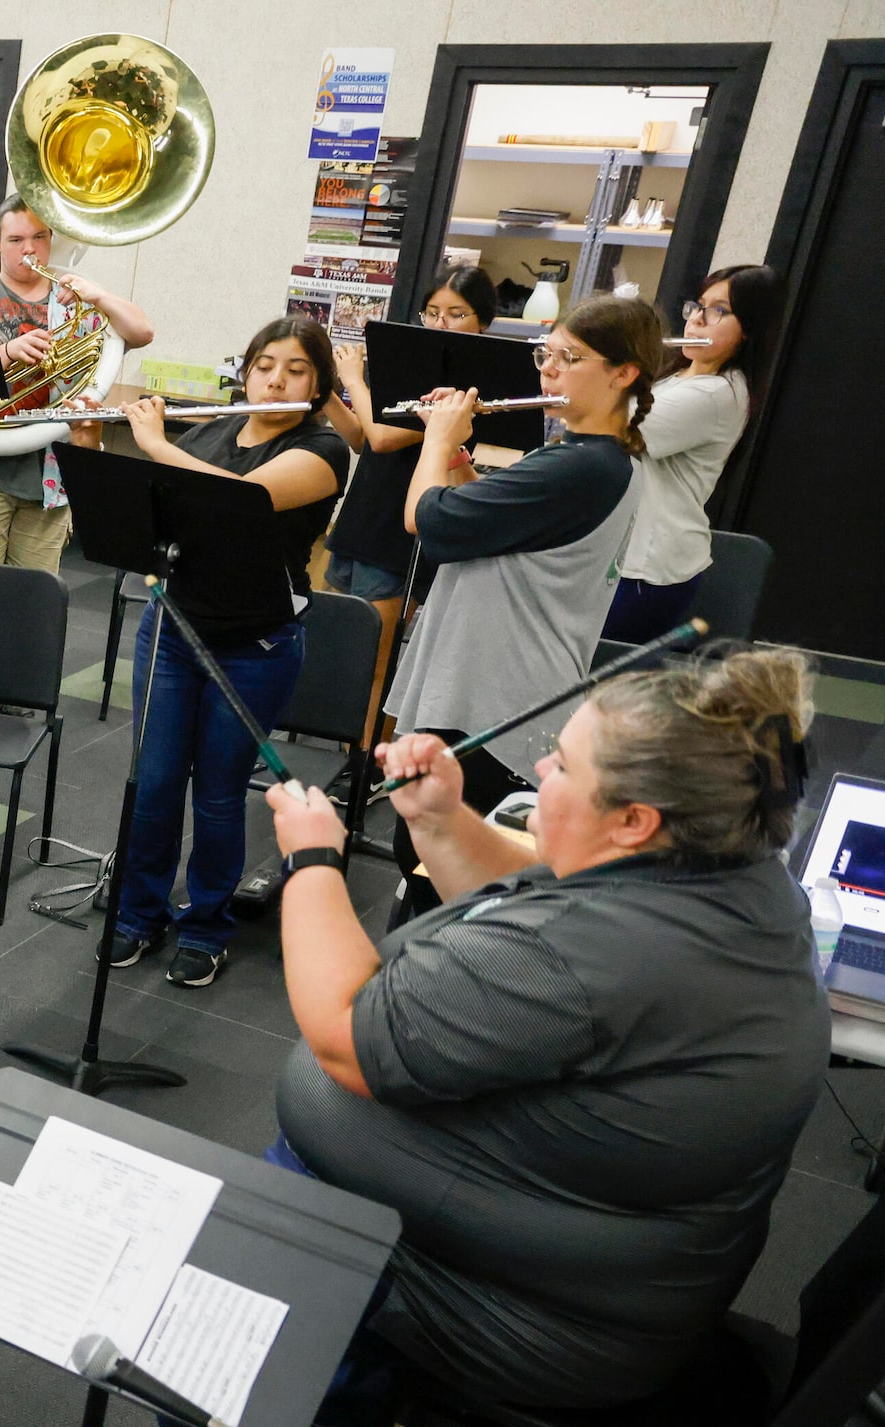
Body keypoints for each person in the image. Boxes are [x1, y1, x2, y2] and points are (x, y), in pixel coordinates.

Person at [111, 648, 829, 1427]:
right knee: (293, 1188)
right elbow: (537, 884)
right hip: (606, 1274)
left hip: (550, 1325)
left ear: (636, 819)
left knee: (192, 1295)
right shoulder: (726, 876)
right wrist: (440, 819)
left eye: (564, 765)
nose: (538, 772)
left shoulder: (602, 955)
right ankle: (347, 1401)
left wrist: (312, 861)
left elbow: (346, 1037)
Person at [384, 293, 659, 917]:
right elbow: (506, 536)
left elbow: (424, 522)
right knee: (433, 863)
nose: (549, 369)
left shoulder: (582, 467)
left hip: (496, 698)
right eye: (547, 353)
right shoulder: (584, 459)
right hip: (498, 683)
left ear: (624, 374)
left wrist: (436, 438)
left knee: (443, 872)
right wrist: (458, 459)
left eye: (570, 356)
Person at [107, 318, 351, 987]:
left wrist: (154, 443)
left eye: (296, 368)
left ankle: (206, 923)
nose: (275, 378)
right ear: (244, 370)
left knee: (216, 794)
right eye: (264, 363)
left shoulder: (324, 449)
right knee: (153, 784)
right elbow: (164, 514)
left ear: (318, 383)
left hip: (255, 643)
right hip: (174, 629)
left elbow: (242, 501)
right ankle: (136, 913)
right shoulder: (213, 431)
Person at [0, 196, 154, 573]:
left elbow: (142, 332)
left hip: (50, 473)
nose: (30, 249)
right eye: (17, 240)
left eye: (40, 237)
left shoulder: (74, 303)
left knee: (32, 592)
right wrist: (5, 352)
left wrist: (99, 294)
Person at [607, 264, 785, 644]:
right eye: (698, 306)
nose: (698, 320)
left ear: (749, 330)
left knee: (594, 682)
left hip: (649, 568)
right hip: (625, 553)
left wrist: (597, 358)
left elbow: (615, 425)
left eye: (718, 311)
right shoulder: (680, 375)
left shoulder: (716, 395)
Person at [321, 266, 498, 644]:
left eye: (456, 314)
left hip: (396, 537)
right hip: (360, 522)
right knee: (332, 653)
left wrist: (353, 378)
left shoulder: (465, 390)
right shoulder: (410, 369)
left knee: (369, 663)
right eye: (432, 313)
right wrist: (327, 388)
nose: (440, 323)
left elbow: (383, 437)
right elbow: (361, 438)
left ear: (482, 321)